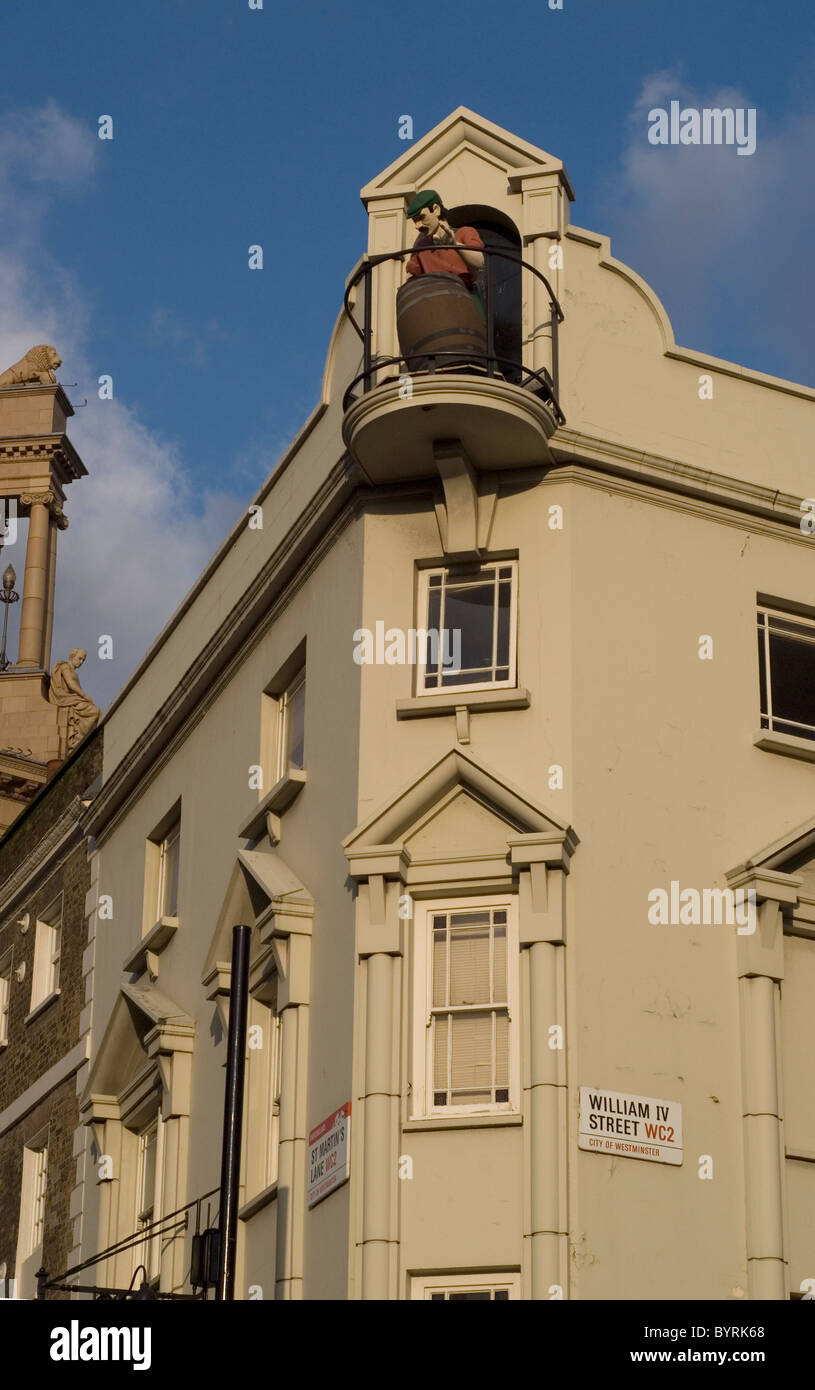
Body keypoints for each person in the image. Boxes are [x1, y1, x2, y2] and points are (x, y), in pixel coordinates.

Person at [405, 189, 485, 318]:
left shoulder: (464, 233)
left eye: (421, 217)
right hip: (437, 312)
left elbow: (479, 262)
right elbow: (411, 283)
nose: (417, 226)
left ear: (436, 209)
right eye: (415, 221)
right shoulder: (420, 248)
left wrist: (454, 244)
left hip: (466, 303)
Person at [49, 648, 100, 749]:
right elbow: (70, 683)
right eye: (80, 658)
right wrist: (84, 696)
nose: (81, 662)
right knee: (94, 711)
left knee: (96, 712)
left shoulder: (74, 672)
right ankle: (79, 738)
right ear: (73, 656)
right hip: (64, 698)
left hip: (72, 698)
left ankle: (80, 737)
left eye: (83, 660)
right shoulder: (64, 666)